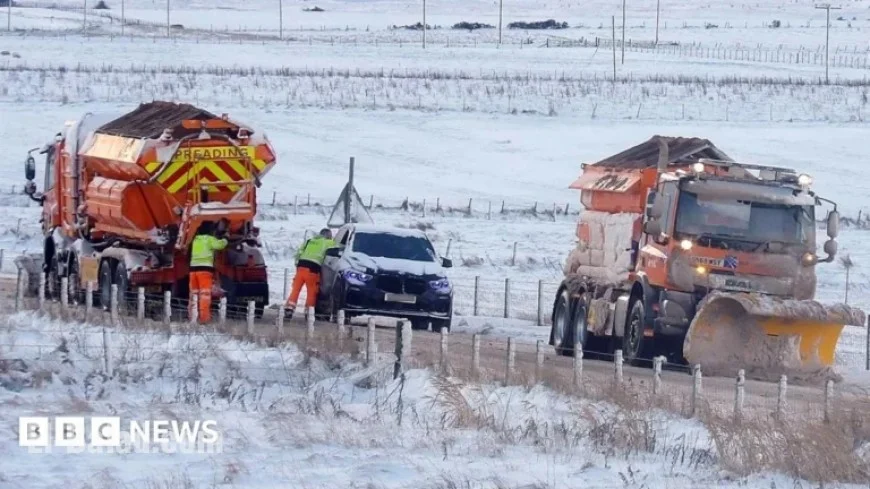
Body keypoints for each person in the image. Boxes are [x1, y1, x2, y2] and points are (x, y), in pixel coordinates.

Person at [286, 228, 335, 316]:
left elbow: (298, 253)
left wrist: (297, 265)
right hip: (313, 269)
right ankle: (309, 311)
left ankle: (289, 308)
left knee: (295, 289)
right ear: (328, 236)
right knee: (311, 291)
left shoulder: (309, 241)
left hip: (300, 267)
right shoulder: (328, 242)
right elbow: (338, 246)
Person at [189, 220, 228, 323]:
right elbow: (220, 245)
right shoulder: (209, 239)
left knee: (194, 294)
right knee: (204, 295)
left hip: (193, 270)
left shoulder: (195, 240)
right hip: (204, 271)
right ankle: (204, 319)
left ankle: (192, 318)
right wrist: (225, 238)